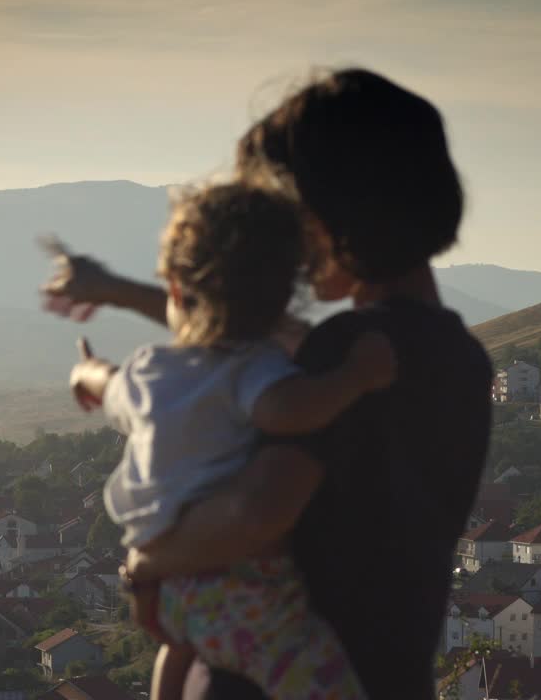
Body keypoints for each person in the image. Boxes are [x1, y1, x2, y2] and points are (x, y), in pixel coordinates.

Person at [42, 68, 492, 699]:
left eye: (283, 212)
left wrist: (146, 561)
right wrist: (111, 289)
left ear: (334, 210)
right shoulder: (456, 356)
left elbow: (258, 509)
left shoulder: (344, 358)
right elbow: (227, 334)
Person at [70, 180, 391, 699]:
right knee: (323, 677)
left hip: (168, 586)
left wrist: (84, 373)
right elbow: (288, 411)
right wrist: (356, 376)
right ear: (287, 295)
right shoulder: (254, 367)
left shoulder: (148, 369)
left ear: (174, 290)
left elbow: (107, 384)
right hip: (241, 588)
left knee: (178, 649)